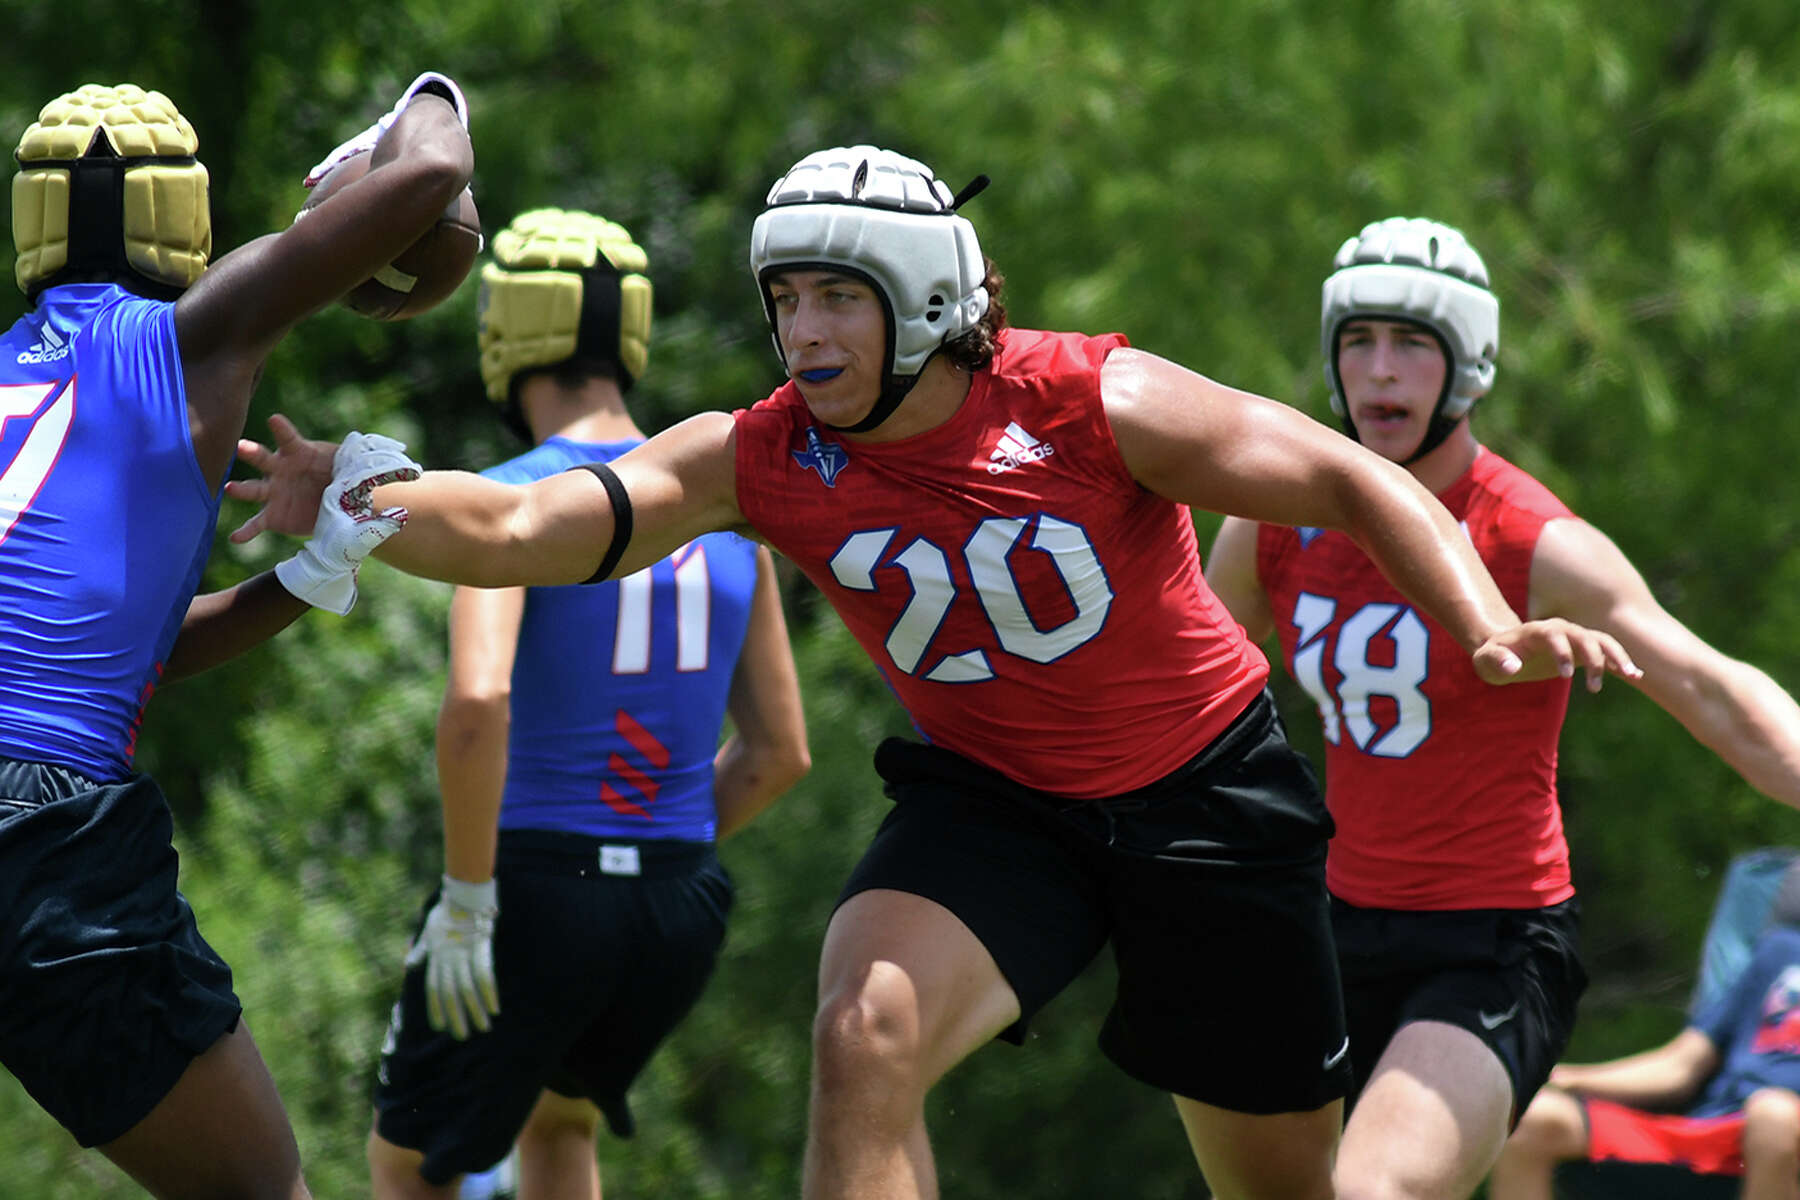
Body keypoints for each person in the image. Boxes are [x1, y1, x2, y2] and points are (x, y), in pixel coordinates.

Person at [234, 147, 1640, 1200]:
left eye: (837, 296)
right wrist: (369, 494)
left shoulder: (1094, 398)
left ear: (923, 296)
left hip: (1206, 805)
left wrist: (1482, 624)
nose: (804, 332)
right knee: (865, 1025)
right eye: (786, 298)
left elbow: (1345, 478)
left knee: (1284, 1186)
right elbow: (544, 525)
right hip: (997, 805)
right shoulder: (766, 450)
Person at [1203, 216, 1800, 1200]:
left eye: (1412, 344)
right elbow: (1176, 695)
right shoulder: (1275, 525)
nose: (1381, 372)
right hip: (1332, 931)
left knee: (1371, 1191)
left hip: (1493, 947)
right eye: (1359, 341)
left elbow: (1712, 692)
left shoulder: (1533, 540)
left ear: (1468, 364)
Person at [0, 75, 473, 1199]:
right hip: (45, 850)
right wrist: (423, 98)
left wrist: (304, 581)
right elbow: (434, 176)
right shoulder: (194, 334)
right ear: (184, 212)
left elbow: (111, 655)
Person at [363, 207, 810, 1200]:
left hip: (530, 889)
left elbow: (479, 702)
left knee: (409, 1166)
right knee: (558, 1131)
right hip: (678, 906)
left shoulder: (508, 501)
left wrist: (473, 899)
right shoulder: (728, 512)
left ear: (505, 326)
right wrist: (653, 858)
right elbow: (780, 754)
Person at [1489, 860, 1800, 1200]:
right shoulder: (1779, 951)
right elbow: (1681, 1065)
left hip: (1783, 1134)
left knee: (1775, 1118)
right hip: (1719, 1131)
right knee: (1534, 1118)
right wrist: (1564, 1077)